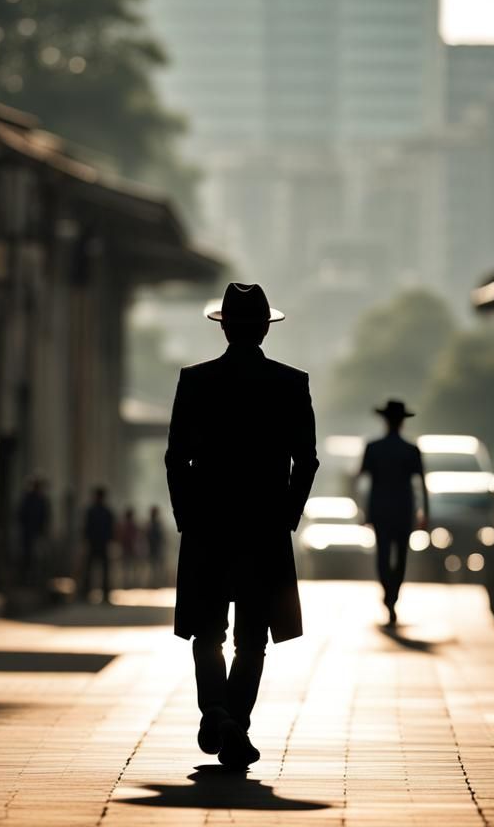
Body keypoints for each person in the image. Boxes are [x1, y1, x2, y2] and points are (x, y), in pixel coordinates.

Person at [165, 282, 319, 770]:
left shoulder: (195, 381)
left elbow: (176, 459)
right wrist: (287, 517)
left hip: (208, 527)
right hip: (264, 530)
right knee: (253, 638)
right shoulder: (291, 384)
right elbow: (307, 461)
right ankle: (234, 719)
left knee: (206, 632)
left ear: (226, 327)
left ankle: (217, 712)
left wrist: (186, 515)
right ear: (264, 331)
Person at [357, 399, 428, 627]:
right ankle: (392, 594)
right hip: (403, 509)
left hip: (381, 509)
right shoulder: (410, 450)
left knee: (383, 555)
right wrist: (424, 512)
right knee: (400, 558)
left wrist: (362, 509)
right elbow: (422, 484)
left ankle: (389, 593)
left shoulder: (374, 448)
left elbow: (361, 480)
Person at [81, 486, 114, 603]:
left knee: (98, 570)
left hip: (98, 544)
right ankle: (91, 594)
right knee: (93, 570)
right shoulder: (101, 512)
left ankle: (99, 595)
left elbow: (110, 530)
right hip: (96, 544)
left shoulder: (98, 511)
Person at [17, 473, 51, 585]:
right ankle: (25, 579)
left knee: (38, 558)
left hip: (37, 533)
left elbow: (45, 517)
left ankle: (37, 580)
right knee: (27, 557)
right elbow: (21, 515)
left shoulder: (41, 500)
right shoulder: (28, 499)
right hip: (28, 533)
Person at [117, 506, 141, 589]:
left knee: (128, 567)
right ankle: (130, 583)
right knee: (129, 567)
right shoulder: (130, 525)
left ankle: (129, 584)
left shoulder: (126, 525)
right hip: (128, 549)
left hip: (129, 549)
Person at [145, 505, 166, 588]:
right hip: (152, 548)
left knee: (156, 567)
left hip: (156, 548)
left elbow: (161, 537)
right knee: (154, 567)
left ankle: (157, 583)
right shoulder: (151, 524)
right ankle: (154, 583)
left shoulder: (156, 524)